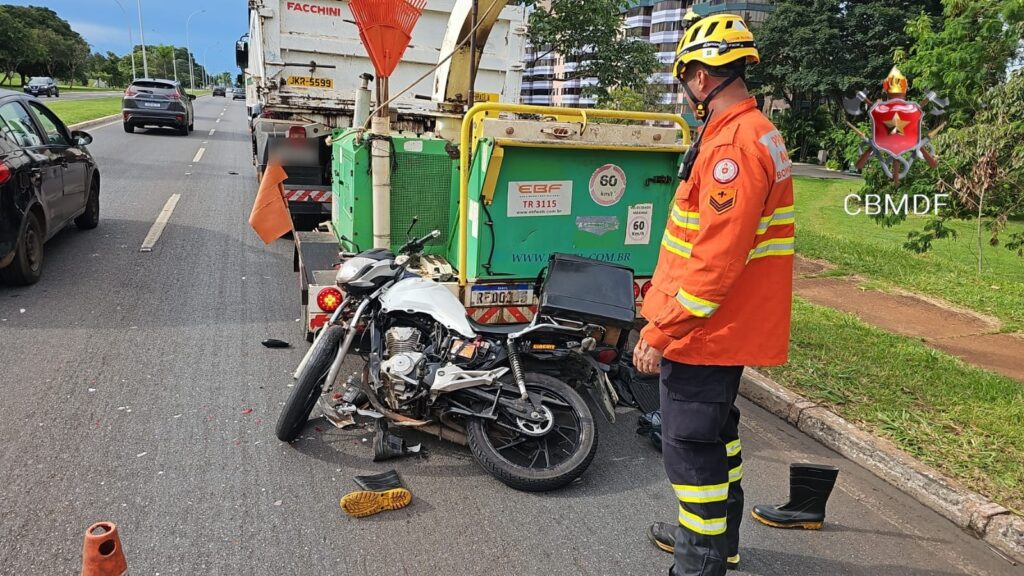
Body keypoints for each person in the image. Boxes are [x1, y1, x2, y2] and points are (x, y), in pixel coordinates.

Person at [632, 13, 795, 576]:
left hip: (706, 332)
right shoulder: (756, 134)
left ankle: (698, 562)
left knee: (691, 448)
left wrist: (662, 329)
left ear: (700, 77)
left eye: (685, 82)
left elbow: (716, 261)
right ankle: (717, 542)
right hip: (725, 326)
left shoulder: (734, 147)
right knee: (719, 439)